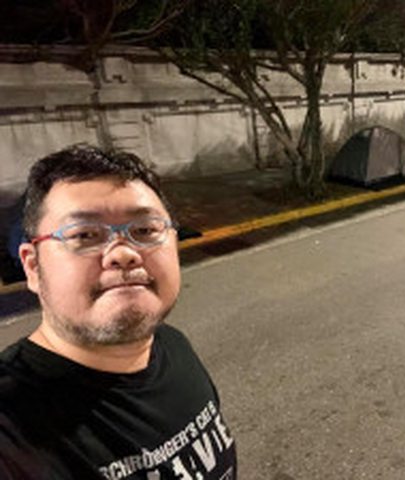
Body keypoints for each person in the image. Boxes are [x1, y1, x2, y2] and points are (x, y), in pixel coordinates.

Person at [0, 145, 237, 479]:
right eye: (85, 235)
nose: (123, 253)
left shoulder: (172, 346)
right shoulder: (12, 430)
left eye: (145, 230)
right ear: (33, 267)